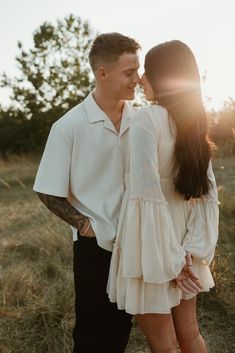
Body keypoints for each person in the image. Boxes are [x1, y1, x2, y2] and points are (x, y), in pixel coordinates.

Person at [107, 40, 219, 353]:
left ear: (163, 77)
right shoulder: (194, 125)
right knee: (190, 335)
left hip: (151, 242)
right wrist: (190, 251)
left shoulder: (145, 118)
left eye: (148, 71)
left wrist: (170, 258)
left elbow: (146, 192)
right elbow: (208, 198)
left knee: (165, 344)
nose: (141, 79)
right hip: (182, 237)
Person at [33, 32, 140, 353]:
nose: (138, 78)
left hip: (138, 240)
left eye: (138, 69)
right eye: (129, 72)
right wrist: (86, 226)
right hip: (95, 247)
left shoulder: (143, 119)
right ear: (102, 73)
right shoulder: (69, 127)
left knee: (122, 328)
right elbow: (48, 191)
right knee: (93, 335)